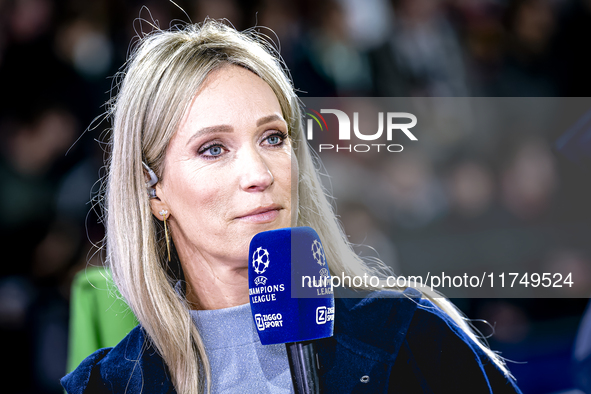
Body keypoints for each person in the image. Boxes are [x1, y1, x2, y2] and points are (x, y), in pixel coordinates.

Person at [61, 20, 521, 394]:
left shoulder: (413, 338)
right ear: (153, 189)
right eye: (213, 149)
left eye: (273, 138)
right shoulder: (101, 386)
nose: (260, 173)